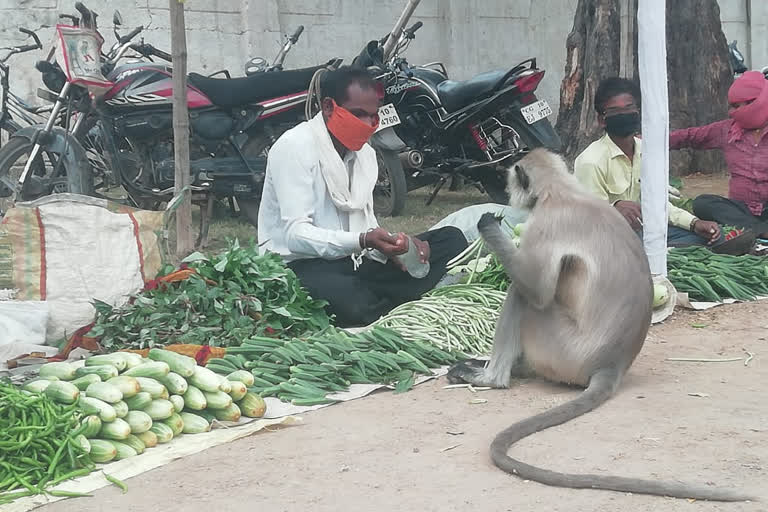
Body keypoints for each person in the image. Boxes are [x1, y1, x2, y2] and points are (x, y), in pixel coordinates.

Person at [257, 66, 468, 328]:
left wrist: (400, 249)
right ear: (328, 107)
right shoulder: (294, 147)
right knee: (352, 302)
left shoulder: (365, 154)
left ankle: (391, 303)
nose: (368, 125)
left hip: (356, 260)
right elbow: (296, 236)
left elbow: (365, 225)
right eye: (358, 114)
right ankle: (399, 303)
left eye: (373, 116)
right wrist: (364, 240)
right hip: (302, 266)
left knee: (452, 240)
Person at [573, 77, 753, 255]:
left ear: (638, 112)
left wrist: (694, 223)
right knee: (634, 252)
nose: (624, 115)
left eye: (629, 109)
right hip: (610, 239)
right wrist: (614, 209)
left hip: (646, 232)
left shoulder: (648, 152)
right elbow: (589, 219)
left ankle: (671, 252)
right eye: (615, 111)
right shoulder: (591, 160)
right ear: (601, 120)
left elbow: (659, 204)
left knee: (708, 237)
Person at [670, 71, 768, 243]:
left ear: (757, 102)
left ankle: (751, 232)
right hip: (741, 209)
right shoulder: (726, 130)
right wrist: (650, 140)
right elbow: (690, 136)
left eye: (737, 106)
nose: (731, 112)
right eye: (731, 106)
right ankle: (760, 231)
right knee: (703, 203)